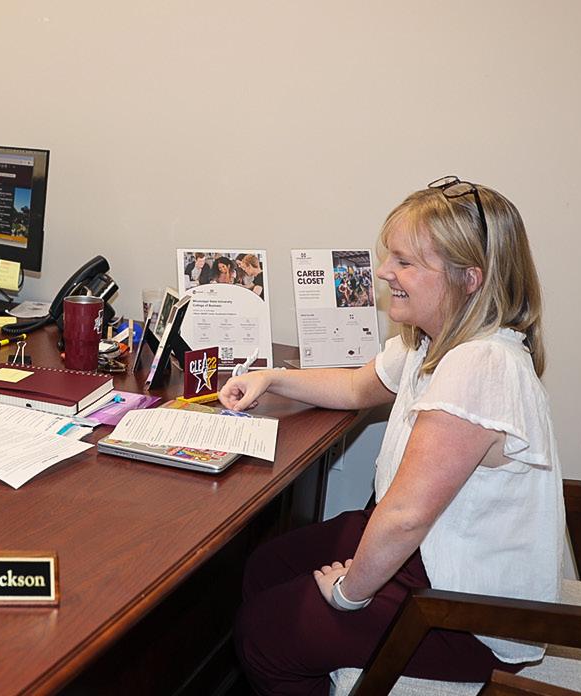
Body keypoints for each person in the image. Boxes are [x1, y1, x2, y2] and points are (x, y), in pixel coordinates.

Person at [222, 176, 562, 694]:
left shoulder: (481, 365)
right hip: (430, 554)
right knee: (267, 567)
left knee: (264, 634)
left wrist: (348, 594)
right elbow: (357, 387)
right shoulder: (434, 341)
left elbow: (405, 517)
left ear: (469, 279)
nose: (384, 272)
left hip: (468, 613)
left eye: (404, 262)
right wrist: (272, 379)